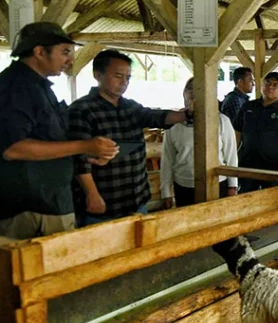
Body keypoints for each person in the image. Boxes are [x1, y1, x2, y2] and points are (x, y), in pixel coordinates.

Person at [0, 22, 119, 239]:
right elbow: (14, 148)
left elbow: (51, 140)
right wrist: (84, 145)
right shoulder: (12, 87)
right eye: (64, 52)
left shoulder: (39, 88)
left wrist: (88, 151)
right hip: (28, 208)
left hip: (49, 202)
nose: (70, 60)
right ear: (39, 51)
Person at [68, 49, 189, 227]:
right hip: (103, 204)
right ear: (97, 75)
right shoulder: (81, 110)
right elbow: (78, 158)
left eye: (128, 77)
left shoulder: (130, 107)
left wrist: (186, 115)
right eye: (118, 76)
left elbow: (155, 117)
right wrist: (92, 194)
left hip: (136, 200)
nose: (124, 82)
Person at [160, 77, 238, 208]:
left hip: (217, 183)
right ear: (184, 93)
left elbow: (231, 156)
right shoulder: (174, 122)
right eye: (190, 89)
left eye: (199, 90)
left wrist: (233, 186)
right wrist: (166, 191)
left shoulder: (221, 121)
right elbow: (167, 159)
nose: (193, 93)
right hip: (184, 185)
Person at [233, 71, 278, 194]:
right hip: (247, 164)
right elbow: (237, 134)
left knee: (271, 198)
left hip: (272, 166)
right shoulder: (247, 107)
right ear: (261, 86)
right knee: (245, 197)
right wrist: (232, 160)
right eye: (268, 83)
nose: (271, 87)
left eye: (276, 85)